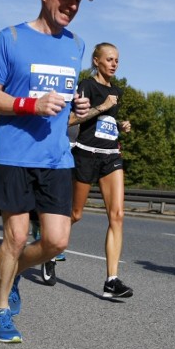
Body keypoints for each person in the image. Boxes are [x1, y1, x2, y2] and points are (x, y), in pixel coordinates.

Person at [0, 0, 92, 343]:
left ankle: (12, 273)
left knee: (57, 242)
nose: (71, 6)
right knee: (16, 236)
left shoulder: (76, 45)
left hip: (57, 156)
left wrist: (78, 109)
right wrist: (30, 104)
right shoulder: (10, 38)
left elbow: (63, 105)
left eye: (77, 1)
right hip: (13, 155)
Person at [69, 42, 134, 299]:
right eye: (109, 59)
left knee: (117, 216)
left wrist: (120, 124)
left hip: (110, 156)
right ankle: (50, 248)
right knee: (75, 214)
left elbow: (104, 123)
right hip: (85, 154)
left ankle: (111, 280)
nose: (114, 63)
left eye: (117, 60)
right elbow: (72, 120)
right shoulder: (86, 85)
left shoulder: (116, 91)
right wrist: (104, 107)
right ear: (96, 61)